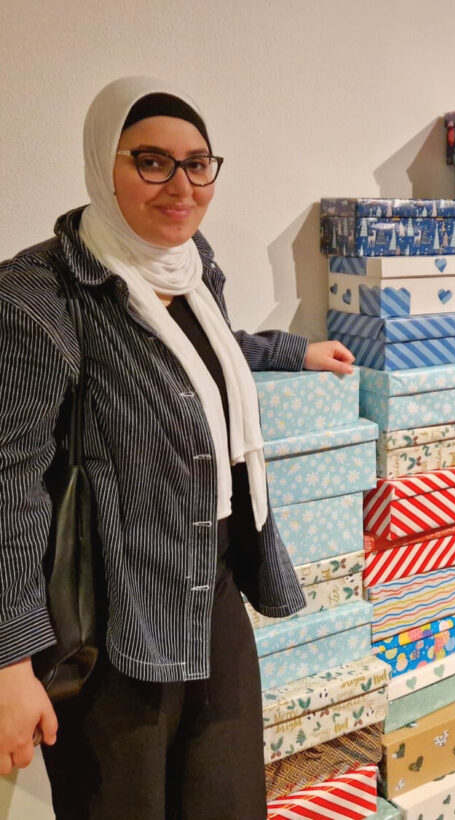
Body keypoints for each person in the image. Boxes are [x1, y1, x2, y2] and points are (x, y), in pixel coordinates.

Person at [0, 76, 354, 818]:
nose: (181, 185)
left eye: (198, 163)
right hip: (112, 619)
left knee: (228, 804)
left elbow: (205, 354)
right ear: (105, 163)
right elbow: (9, 487)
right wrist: (9, 662)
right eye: (152, 161)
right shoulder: (38, 297)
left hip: (212, 590)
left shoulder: (192, 270)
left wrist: (294, 351)